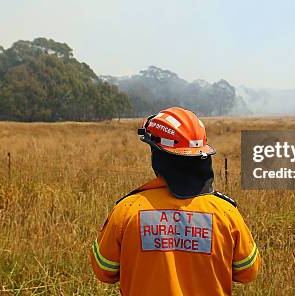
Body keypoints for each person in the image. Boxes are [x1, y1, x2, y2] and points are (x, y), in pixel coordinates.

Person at [90, 107, 260, 295]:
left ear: (158, 155)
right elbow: (248, 272)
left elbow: (104, 271)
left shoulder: (127, 210)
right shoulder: (226, 213)